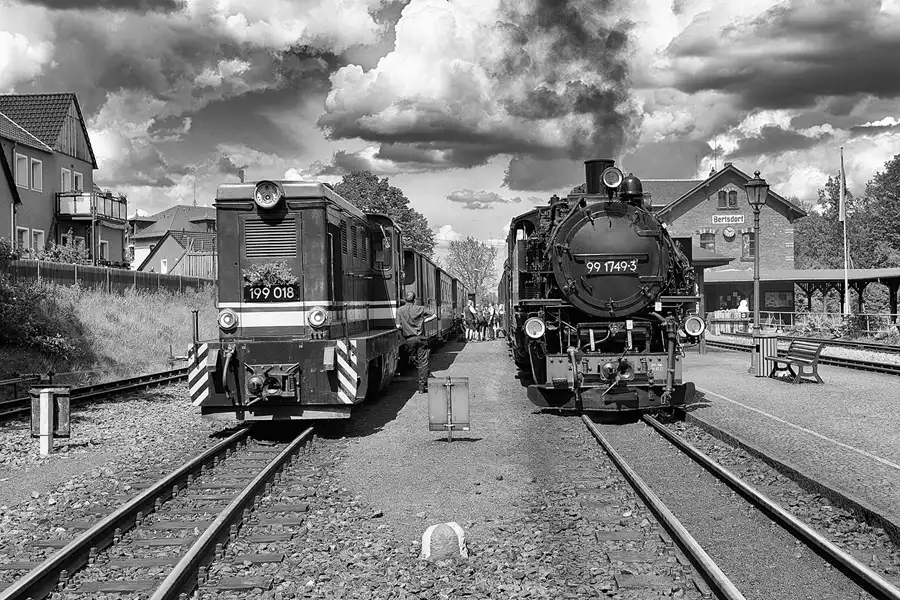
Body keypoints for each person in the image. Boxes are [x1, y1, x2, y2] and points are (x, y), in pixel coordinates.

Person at [396, 290, 437, 393]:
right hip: (420, 338)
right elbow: (434, 315)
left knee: (417, 361)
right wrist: (424, 321)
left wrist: (405, 327)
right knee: (423, 362)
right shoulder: (420, 308)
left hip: (409, 339)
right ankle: (422, 387)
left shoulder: (399, 310)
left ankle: (426, 379)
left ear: (405, 299)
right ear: (414, 300)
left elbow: (398, 326)